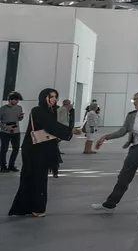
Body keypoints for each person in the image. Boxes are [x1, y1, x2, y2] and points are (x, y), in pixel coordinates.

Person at [7, 88, 81, 217]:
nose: (53, 99)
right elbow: (50, 125)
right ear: (44, 97)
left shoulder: (50, 111)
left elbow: (51, 126)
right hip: (34, 150)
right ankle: (36, 208)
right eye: (50, 96)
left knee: (35, 178)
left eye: (55, 97)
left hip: (42, 148)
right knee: (35, 178)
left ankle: (28, 208)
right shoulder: (38, 110)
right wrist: (69, 131)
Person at [0, 92, 22, 172]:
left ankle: (11, 165)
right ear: (9, 100)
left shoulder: (19, 108)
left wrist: (20, 117)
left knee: (16, 148)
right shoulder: (3, 109)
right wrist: (5, 127)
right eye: (15, 100)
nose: (17, 101)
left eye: (18, 100)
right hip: (5, 132)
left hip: (16, 131)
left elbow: (19, 119)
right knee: (4, 149)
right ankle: (3, 166)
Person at [52, 99, 74, 177]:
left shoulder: (61, 109)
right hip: (60, 128)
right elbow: (63, 120)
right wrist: (66, 128)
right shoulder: (64, 110)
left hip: (58, 128)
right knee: (56, 143)